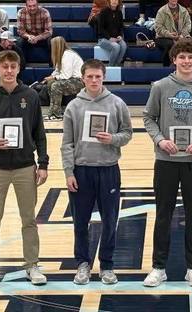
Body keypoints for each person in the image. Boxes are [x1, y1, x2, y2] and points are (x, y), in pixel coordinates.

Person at [0, 50, 49, 289]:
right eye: (4, 67)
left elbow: (39, 133)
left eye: (13, 66)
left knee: (29, 220)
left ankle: (32, 265)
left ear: (18, 69)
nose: (8, 71)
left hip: (25, 167)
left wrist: (43, 163)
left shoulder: (31, 96)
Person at [141, 39, 192, 288]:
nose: (186, 61)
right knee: (163, 214)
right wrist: (160, 140)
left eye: (190, 57)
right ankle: (158, 267)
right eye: (182, 57)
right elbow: (148, 117)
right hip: (166, 160)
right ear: (174, 59)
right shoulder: (160, 86)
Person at [64, 59, 133, 285]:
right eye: (90, 76)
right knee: (80, 221)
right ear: (83, 78)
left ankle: (107, 265)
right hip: (82, 171)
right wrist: (68, 172)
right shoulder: (73, 106)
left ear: (104, 77)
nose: (94, 80)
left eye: (98, 77)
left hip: (108, 170)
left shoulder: (117, 103)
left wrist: (112, 139)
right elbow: (67, 144)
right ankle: (83, 264)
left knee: (110, 220)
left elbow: (127, 133)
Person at [39, 36, 84, 120]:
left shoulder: (68, 55)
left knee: (56, 86)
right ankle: (52, 111)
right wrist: (49, 78)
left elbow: (66, 75)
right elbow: (57, 71)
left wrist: (53, 78)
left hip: (79, 82)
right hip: (71, 80)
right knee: (50, 83)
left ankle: (57, 114)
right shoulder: (61, 55)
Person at [154, 0, 192, 67]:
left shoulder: (184, 10)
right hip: (163, 37)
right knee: (170, 44)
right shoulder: (161, 11)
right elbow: (158, 28)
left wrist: (182, 35)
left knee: (190, 44)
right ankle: (167, 68)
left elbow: (188, 25)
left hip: (181, 36)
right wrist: (169, 34)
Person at [96, 0, 128, 66]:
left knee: (124, 45)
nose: (114, 1)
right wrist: (109, 38)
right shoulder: (103, 12)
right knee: (116, 47)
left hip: (116, 38)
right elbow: (100, 28)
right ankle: (110, 66)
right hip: (103, 39)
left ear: (119, 2)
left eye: (116, 0)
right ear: (109, 1)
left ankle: (116, 65)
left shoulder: (119, 12)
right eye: (112, 0)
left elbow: (121, 27)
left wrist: (120, 36)